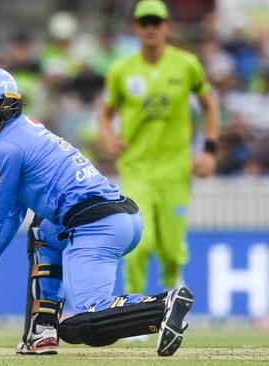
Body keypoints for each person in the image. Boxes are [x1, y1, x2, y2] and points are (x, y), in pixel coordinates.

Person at [0, 67, 194, 357]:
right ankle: (41, 331)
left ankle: (162, 305)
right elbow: (12, 214)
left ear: (8, 104)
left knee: (86, 321)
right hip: (118, 217)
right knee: (43, 230)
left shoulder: (5, 148)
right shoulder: (28, 128)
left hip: (96, 225)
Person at [97, 0, 220, 296]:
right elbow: (105, 112)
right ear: (136, 28)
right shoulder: (122, 70)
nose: (150, 28)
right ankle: (135, 305)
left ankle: (171, 295)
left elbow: (209, 106)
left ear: (166, 26)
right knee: (139, 242)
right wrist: (108, 138)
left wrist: (209, 150)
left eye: (156, 22)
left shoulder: (186, 64)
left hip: (176, 170)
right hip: (137, 169)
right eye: (144, 23)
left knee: (172, 247)